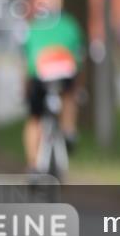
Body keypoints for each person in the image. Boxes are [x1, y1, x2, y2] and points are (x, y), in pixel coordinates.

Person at [22, 10, 85, 172]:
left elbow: (26, 61)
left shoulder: (32, 27)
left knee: (34, 119)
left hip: (39, 72)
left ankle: (33, 165)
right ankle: (69, 130)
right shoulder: (71, 25)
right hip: (65, 70)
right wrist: (78, 87)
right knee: (69, 96)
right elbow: (79, 58)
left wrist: (25, 89)